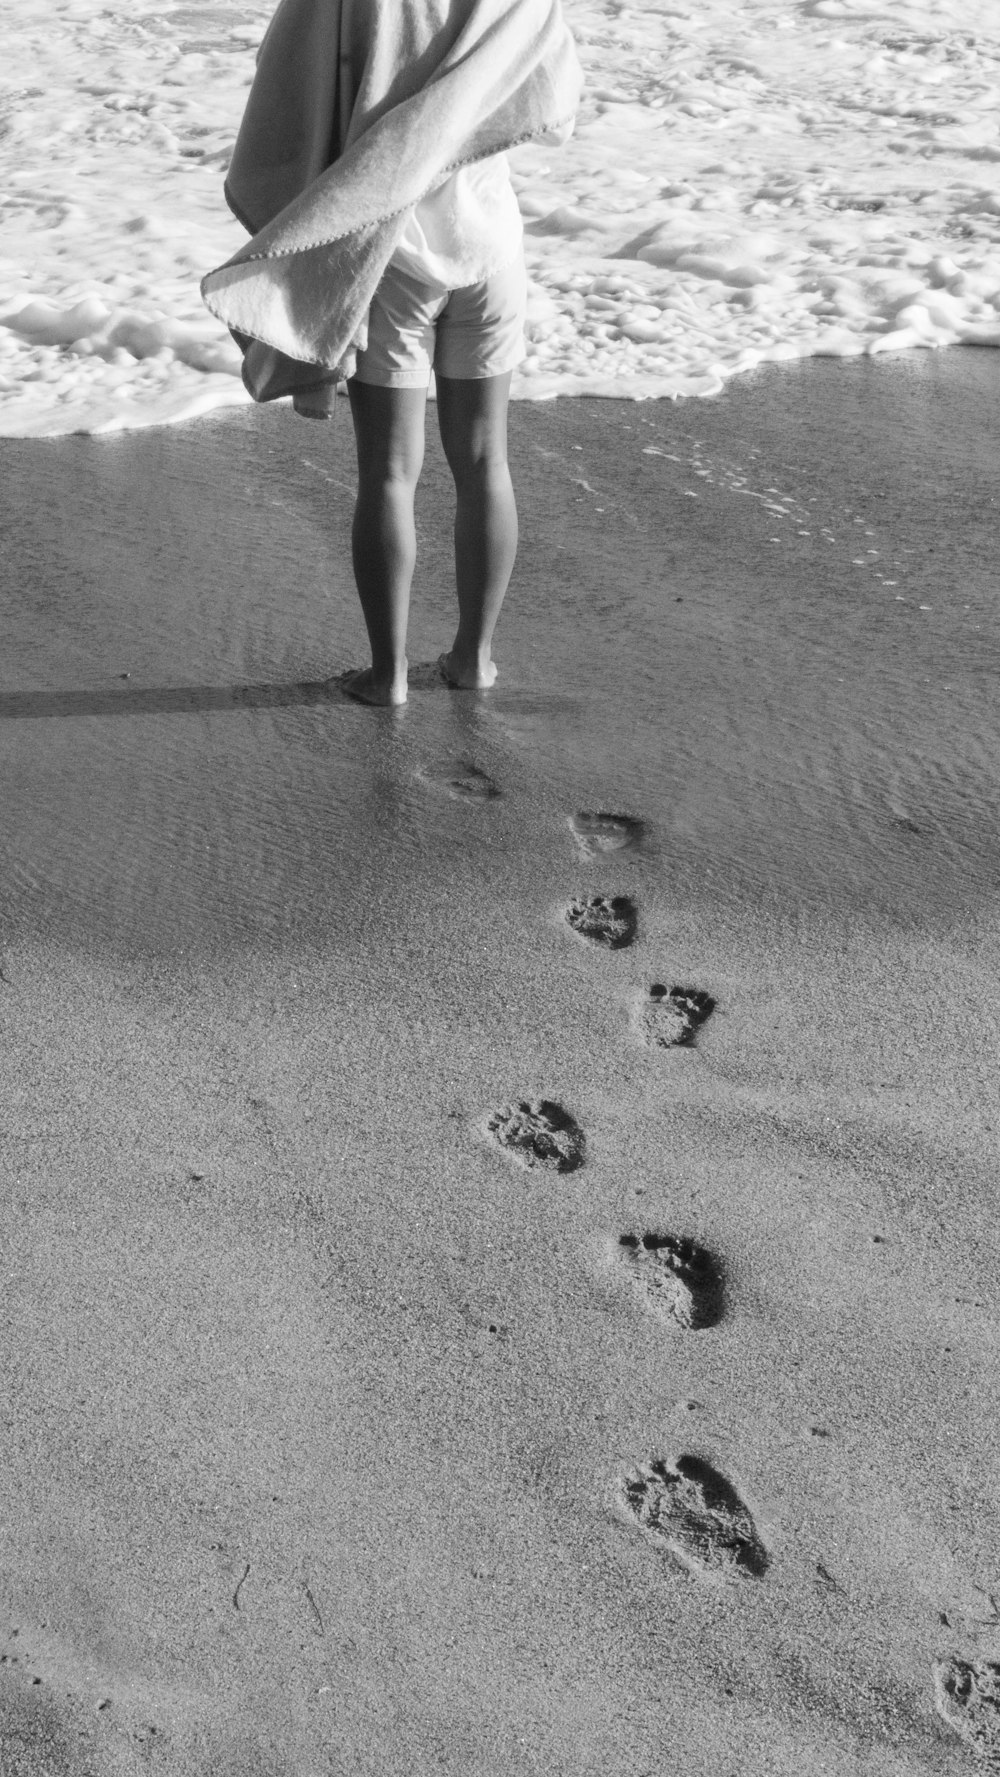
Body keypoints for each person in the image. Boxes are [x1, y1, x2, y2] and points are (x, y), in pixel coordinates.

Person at [202, 0, 581, 705]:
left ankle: (390, 676)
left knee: (388, 472)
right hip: (491, 246)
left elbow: (284, 95)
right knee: (486, 460)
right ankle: (474, 661)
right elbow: (554, 104)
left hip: (390, 250)